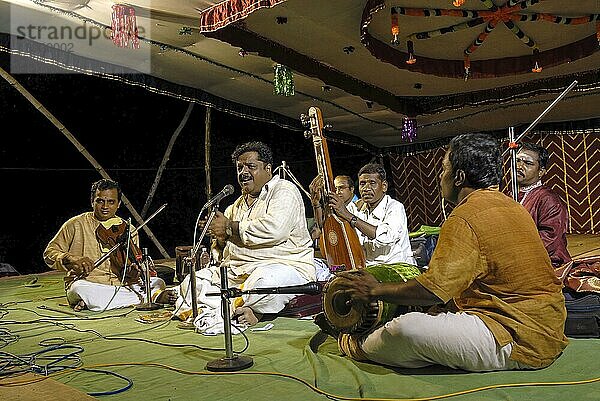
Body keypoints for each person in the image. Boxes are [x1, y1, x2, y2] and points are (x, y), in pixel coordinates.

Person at [322, 133, 567, 372]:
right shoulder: (513, 207)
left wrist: (374, 290)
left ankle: (352, 343)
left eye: (443, 169)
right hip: (548, 327)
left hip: (514, 335)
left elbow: (432, 291)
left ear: (458, 176)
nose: (441, 177)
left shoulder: (465, 216)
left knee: (406, 329)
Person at [175, 141, 316, 330]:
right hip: (238, 272)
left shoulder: (284, 190)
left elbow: (275, 230)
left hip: (283, 266)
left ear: (268, 168)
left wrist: (228, 228)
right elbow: (224, 248)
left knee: (263, 284)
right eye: (240, 167)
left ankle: (246, 309)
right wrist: (218, 236)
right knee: (192, 282)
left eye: (251, 166)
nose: (243, 172)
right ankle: (237, 309)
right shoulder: (236, 205)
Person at [43, 179, 174, 312]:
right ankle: (149, 298)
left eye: (111, 202)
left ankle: (95, 303)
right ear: (92, 201)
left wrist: (133, 273)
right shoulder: (75, 224)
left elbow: (131, 266)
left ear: (118, 204)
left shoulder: (129, 229)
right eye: (100, 201)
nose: (105, 207)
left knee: (158, 282)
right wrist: (71, 258)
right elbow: (49, 253)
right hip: (90, 284)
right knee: (79, 289)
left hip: (122, 286)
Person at [310, 164, 415, 266]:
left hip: (395, 267)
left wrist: (349, 216)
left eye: (372, 183)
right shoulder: (356, 207)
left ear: (384, 186)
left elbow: (385, 238)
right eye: (362, 183)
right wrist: (317, 205)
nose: (366, 188)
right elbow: (328, 227)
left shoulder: (395, 207)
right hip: (367, 267)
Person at [514, 142, 571, 267]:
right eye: (517, 160)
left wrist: (516, 251)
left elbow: (549, 238)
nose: (519, 166)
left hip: (546, 262)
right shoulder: (509, 194)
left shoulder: (548, 199)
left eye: (527, 163)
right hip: (515, 257)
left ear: (541, 172)